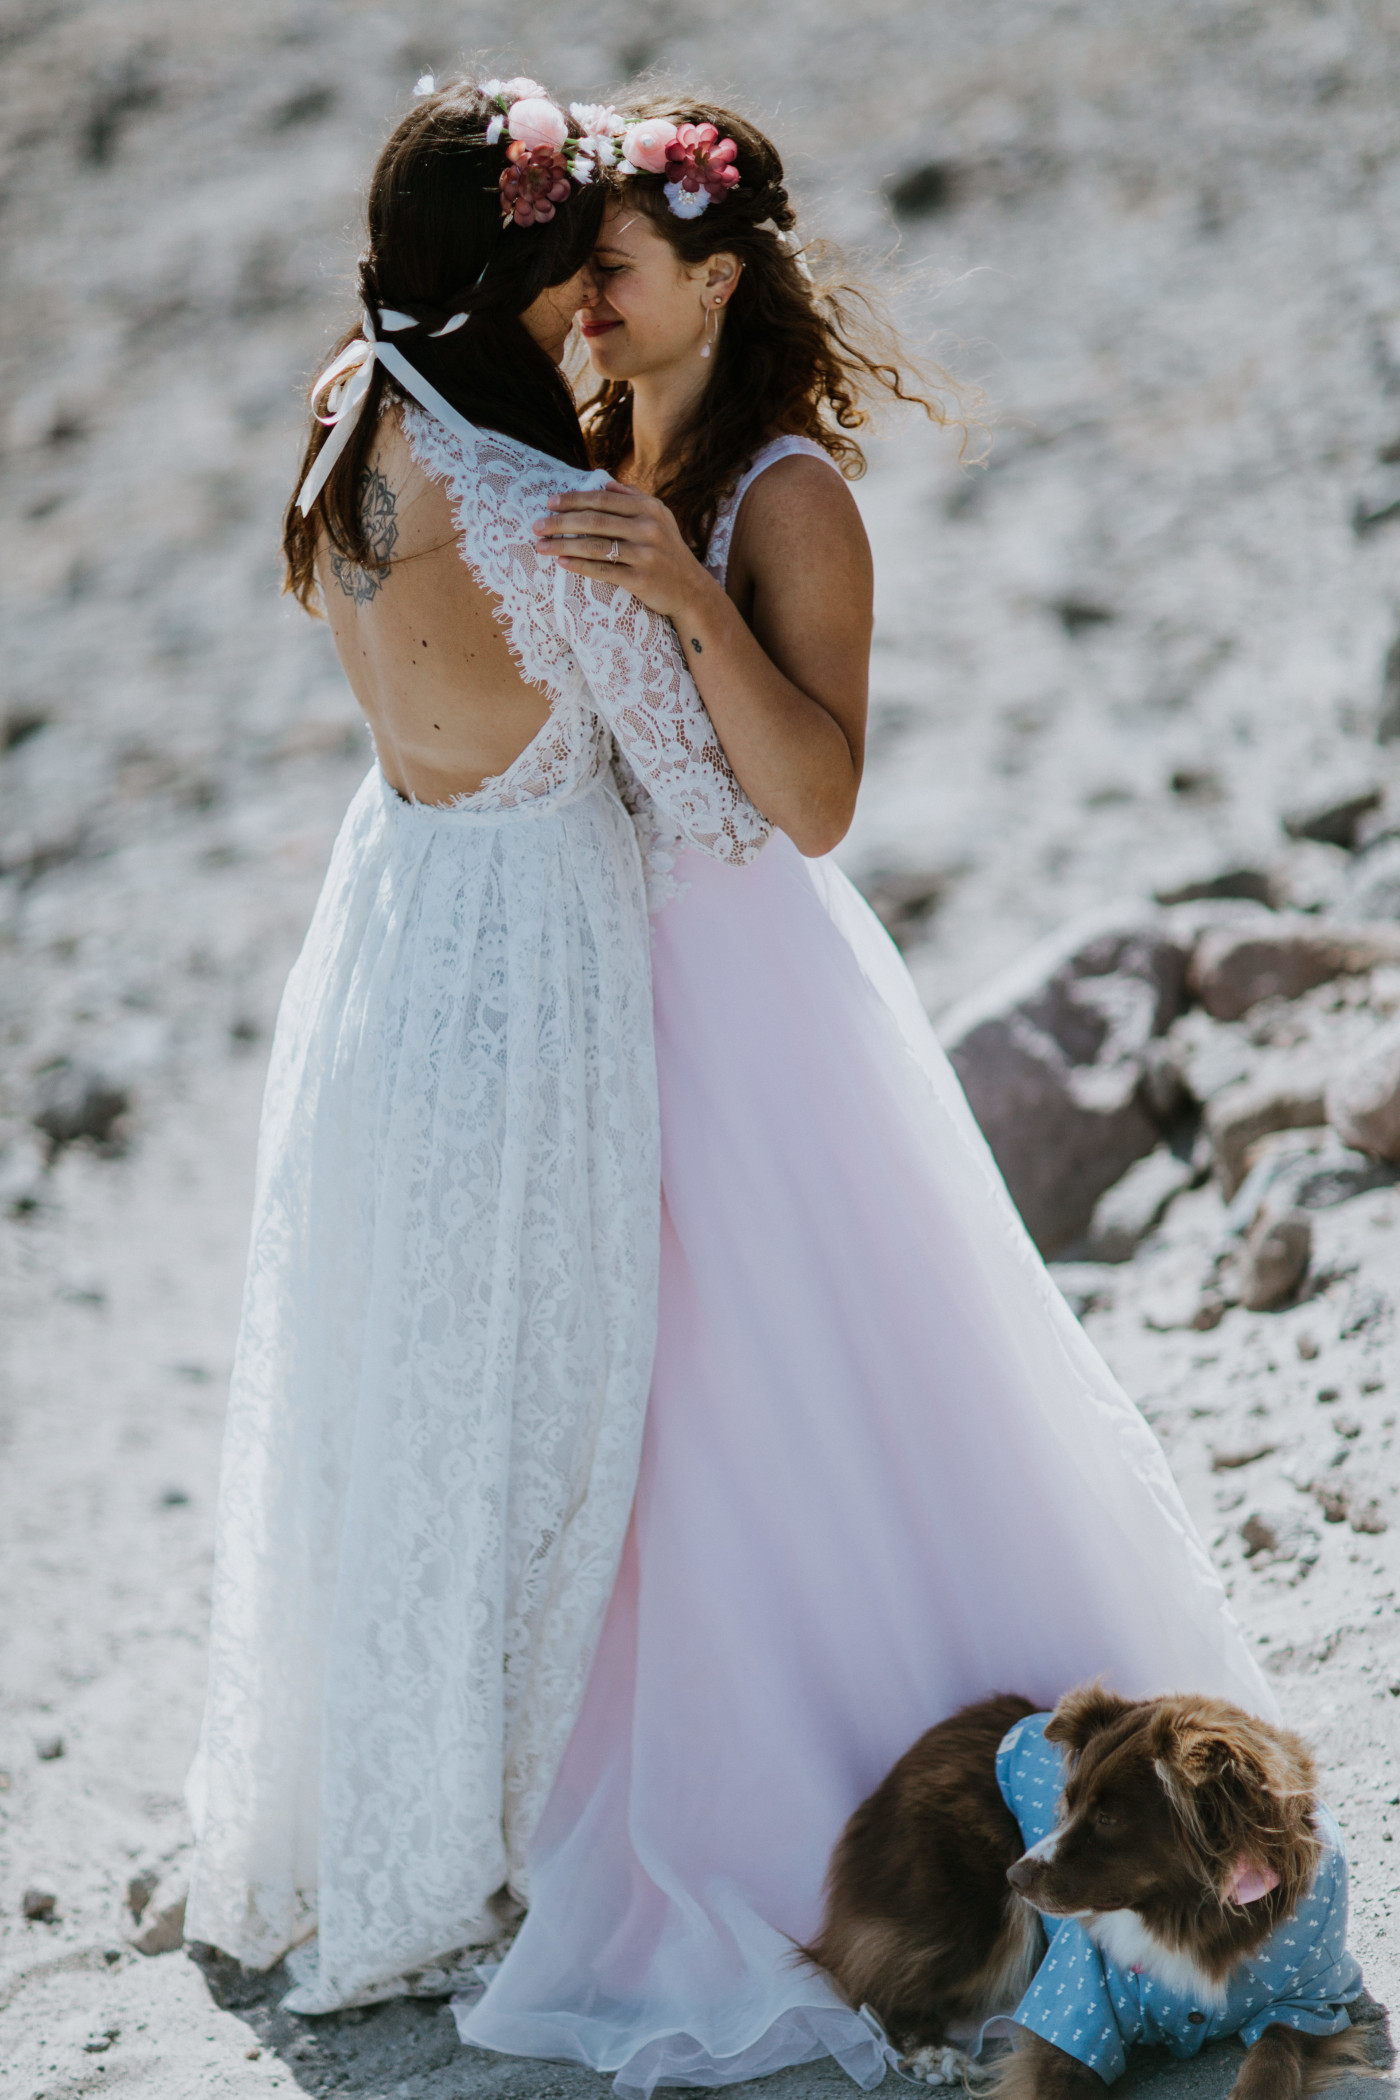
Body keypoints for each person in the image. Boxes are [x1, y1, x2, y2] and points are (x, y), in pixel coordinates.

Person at [461, 100, 1279, 2094]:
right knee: (657, 1416)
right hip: (618, 1004)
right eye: (577, 270)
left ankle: (889, 1828)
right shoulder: (610, 443)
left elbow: (814, 802)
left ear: (715, 281)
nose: (583, 300)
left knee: (776, 1388)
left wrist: (678, 588)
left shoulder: (788, 492)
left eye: (617, 270)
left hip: (756, 1005)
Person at [183, 79, 772, 2017]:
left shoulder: (357, 404)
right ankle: (463, 1845)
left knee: (400, 1391)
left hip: (399, 912)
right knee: (528, 1397)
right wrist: (700, 597)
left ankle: (364, 1806)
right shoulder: (536, 519)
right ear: (526, 269)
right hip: (527, 968)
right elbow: (717, 809)